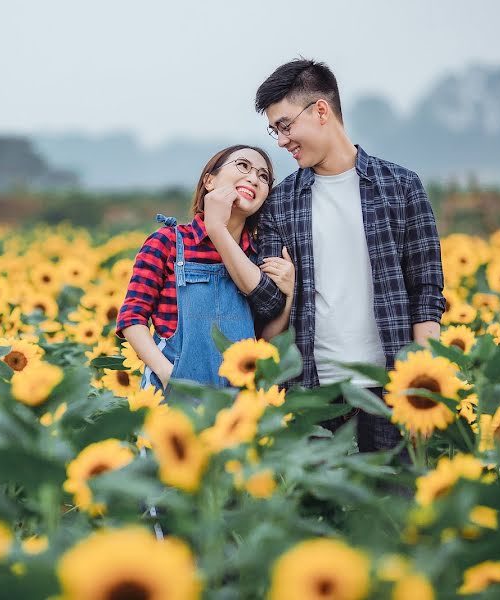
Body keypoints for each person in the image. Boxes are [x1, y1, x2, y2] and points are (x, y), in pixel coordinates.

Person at [210, 58, 444, 454]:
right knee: (313, 510)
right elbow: (268, 304)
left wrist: (422, 386)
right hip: (311, 392)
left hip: (392, 385)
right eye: (274, 130)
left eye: (284, 126)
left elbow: (426, 293)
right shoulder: (281, 201)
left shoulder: (400, 186)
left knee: (395, 506)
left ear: (320, 110)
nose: (280, 141)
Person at [116, 144, 295, 393]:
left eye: (263, 177)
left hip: (240, 405)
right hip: (172, 395)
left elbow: (264, 342)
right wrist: (168, 374)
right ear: (209, 181)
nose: (254, 178)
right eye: (243, 166)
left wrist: (288, 298)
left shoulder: (258, 256)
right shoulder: (167, 243)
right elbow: (131, 317)